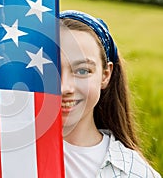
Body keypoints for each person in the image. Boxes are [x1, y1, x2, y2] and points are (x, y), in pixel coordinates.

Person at [59, 10, 161, 178]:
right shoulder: (9, 151)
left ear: (105, 75)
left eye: (83, 70)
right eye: (52, 70)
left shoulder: (135, 173)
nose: (64, 87)